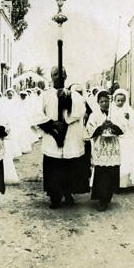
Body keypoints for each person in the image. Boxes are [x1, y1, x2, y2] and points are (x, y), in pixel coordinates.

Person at [35, 66, 90, 209]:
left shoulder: (74, 95)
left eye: (61, 74)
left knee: (69, 169)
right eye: (55, 74)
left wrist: (67, 98)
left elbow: (80, 110)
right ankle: (55, 197)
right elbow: (36, 114)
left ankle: (68, 193)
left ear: (66, 76)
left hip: (70, 139)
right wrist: (52, 124)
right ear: (51, 77)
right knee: (53, 169)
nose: (58, 77)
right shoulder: (45, 95)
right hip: (52, 138)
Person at [87, 90, 125, 211]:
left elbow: (123, 129)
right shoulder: (94, 115)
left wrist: (113, 126)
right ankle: (101, 200)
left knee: (111, 172)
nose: (104, 104)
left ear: (110, 101)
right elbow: (90, 130)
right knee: (102, 173)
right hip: (101, 147)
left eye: (106, 101)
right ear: (98, 102)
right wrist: (101, 127)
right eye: (102, 101)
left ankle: (108, 197)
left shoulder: (116, 114)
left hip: (113, 147)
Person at [111, 89, 134, 188]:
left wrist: (128, 118)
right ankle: (115, 182)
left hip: (126, 139)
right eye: (118, 100)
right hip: (116, 137)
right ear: (114, 100)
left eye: (122, 100)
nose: (120, 103)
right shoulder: (112, 110)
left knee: (127, 159)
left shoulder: (128, 110)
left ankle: (124, 183)